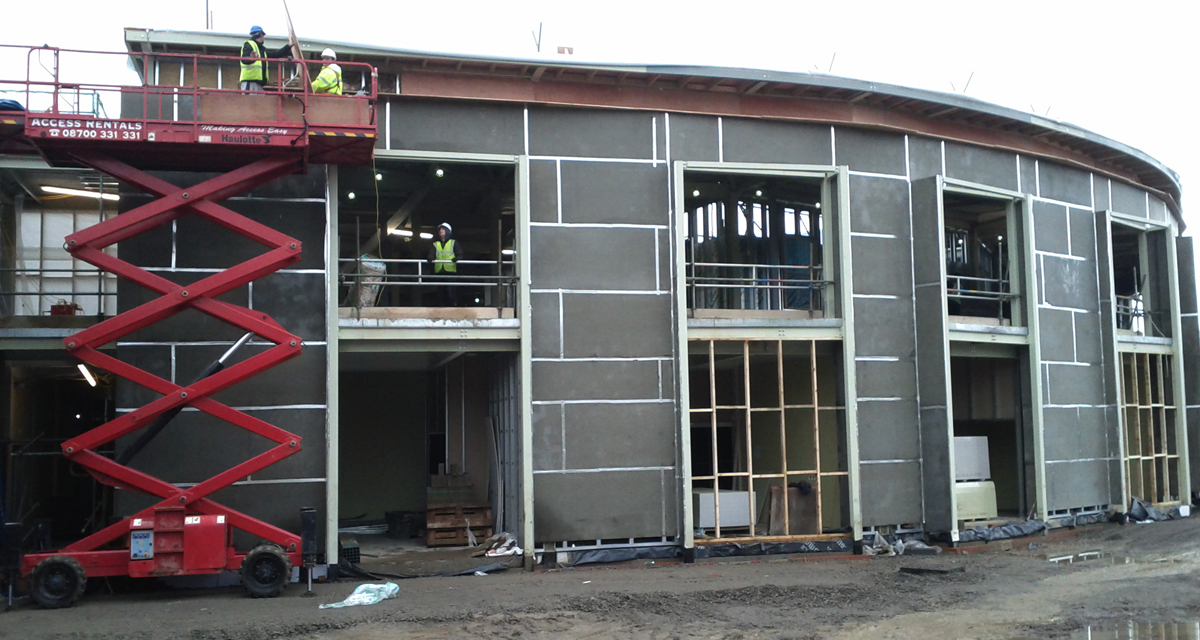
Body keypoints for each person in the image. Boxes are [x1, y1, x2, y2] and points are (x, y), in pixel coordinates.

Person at [239, 25, 292, 92]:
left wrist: (288, 47)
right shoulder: (249, 45)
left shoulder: (261, 50)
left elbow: (275, 55)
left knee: (260, 102)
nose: (264, 37)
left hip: (258, 84)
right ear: (260, 34)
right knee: (250, 102)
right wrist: (250, 59)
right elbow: (244, 59)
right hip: (250, 82)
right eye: (263, 35)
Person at [427, 222, 462, 306]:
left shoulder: (453, 243)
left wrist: (456, 259)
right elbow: (431, 254)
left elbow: (460, 254)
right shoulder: (435, 244)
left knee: (450, 291)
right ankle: (441, 307)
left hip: (450, 271)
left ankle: (452, 307)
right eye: (440, 229)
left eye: (442, 229)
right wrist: (430, 257)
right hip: (439, 271)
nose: (440, 231)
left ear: (447, 231)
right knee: (440, 292)